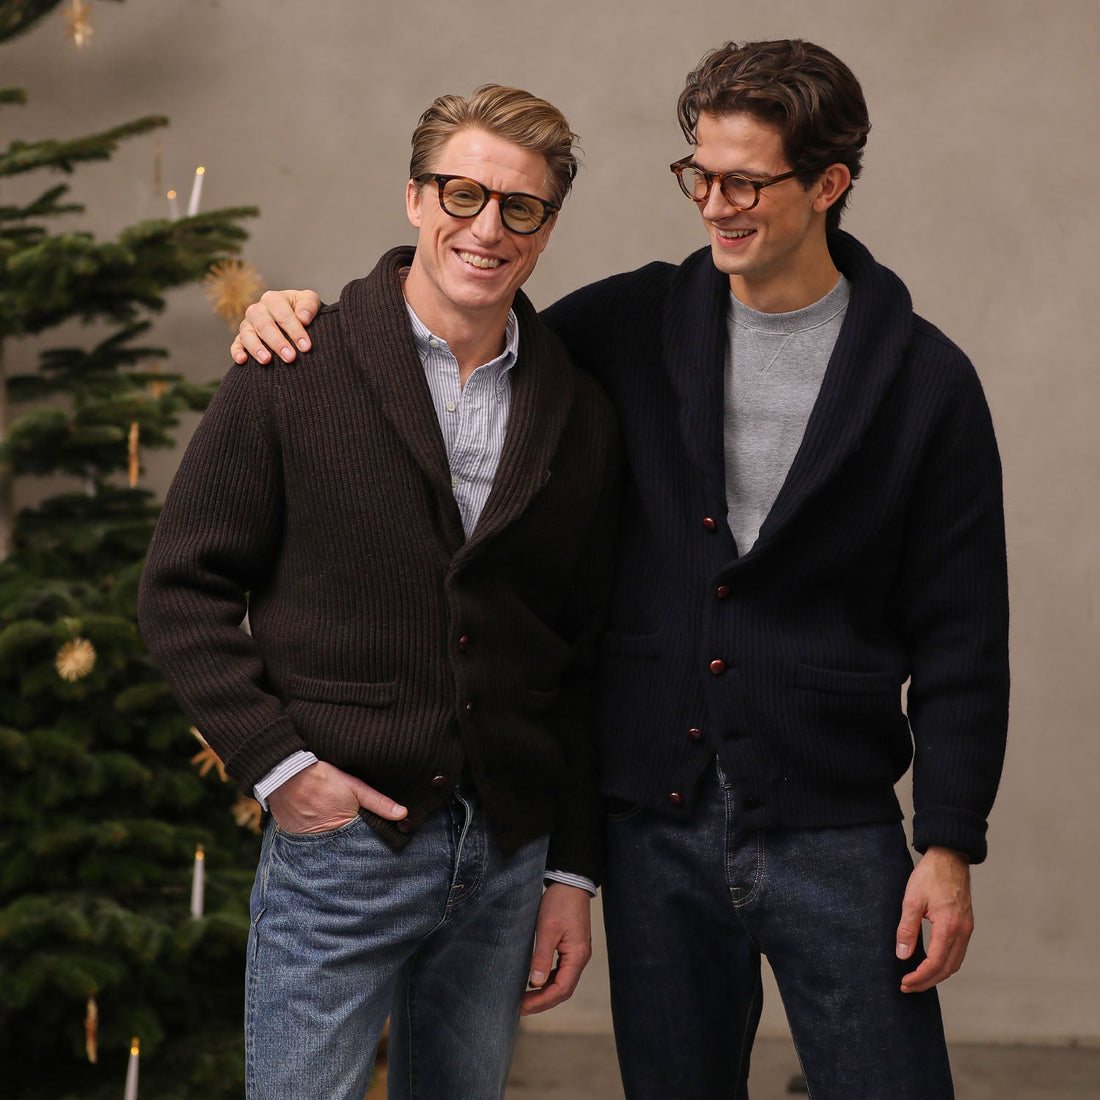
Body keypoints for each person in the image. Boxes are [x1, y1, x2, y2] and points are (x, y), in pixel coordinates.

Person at [231, 40, 1009, 1100]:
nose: (714, 203)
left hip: (834, 823)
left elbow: (964, 633)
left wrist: (949, 841)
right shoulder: (628, 324)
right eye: (698, 173)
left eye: (746, 181)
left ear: (828, 183)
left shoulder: (925, 380)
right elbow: (459, 313)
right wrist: (304, 315)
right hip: (658, 822)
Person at [138, 84, 619, 1100]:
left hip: (503, 857)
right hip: (339, 845)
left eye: (518, 207)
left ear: (544, 227)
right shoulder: (294, 362)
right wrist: (281, 768)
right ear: (413, 198)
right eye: (460, 194)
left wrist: (569, 869)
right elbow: (179, 589)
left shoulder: (575, 408)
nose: (485, 227)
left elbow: (580, 650)